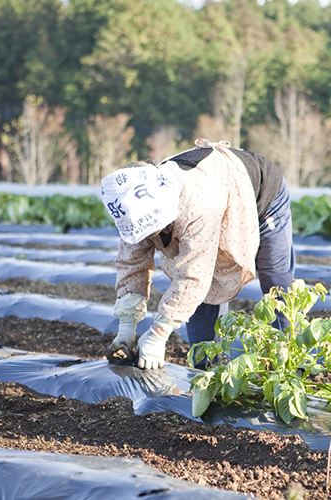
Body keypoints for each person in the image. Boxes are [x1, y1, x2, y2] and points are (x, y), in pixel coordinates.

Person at [100, 138, 295, 370]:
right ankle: (207, 368)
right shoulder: (133, 207)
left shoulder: (195, 204)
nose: (149, 236)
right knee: (203, 304)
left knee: (275, 279)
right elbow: (131, 263)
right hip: (217, 191)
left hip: (262, 194)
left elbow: (194, 275)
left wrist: (158, 335)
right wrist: (126, 326)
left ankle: (288, 361)